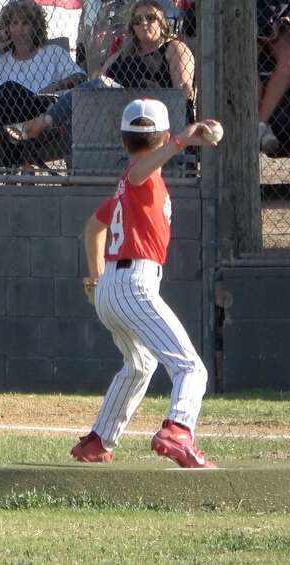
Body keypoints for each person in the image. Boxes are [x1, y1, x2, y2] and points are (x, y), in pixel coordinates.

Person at [71, 98, 219, 469]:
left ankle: (99, 440)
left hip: (112, 288)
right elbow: (139, 174)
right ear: (164, 135)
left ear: (123, 139)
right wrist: (182, 142)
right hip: (134, 283)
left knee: (140, 365)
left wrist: (94, 279)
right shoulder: (140, 177)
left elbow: (92, 227)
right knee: (190, 367)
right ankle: (178, 430)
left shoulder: (127, 187)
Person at [6, 0, 195, 144]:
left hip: (148, 109)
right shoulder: (124, 53)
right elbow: (98, 78)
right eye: (137, 20)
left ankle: (41, 123)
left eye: (150, 18)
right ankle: (73, 169)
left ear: (162, 23)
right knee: (85, 95)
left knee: (94, 87)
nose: (144, 23)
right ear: (132, 27)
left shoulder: (174, 48)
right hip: (112, 112)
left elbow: (182, 91)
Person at [0, 0, 85, 167]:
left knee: (7, 89)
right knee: (8, 93)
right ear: (7, 28)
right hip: (7, 119)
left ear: (35, 28)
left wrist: (56, 86)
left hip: (41, 111)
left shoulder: (52, 53)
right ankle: (22, 163)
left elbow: (80, 77)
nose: (19, 29)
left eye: (26, 23)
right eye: (14, 23)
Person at [258, 1, 290, 154]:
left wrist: (284, 21)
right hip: (245, 20)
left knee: (288, 56)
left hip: (280, 24)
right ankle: (258, 128)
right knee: (245, 58)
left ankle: (259, 125)